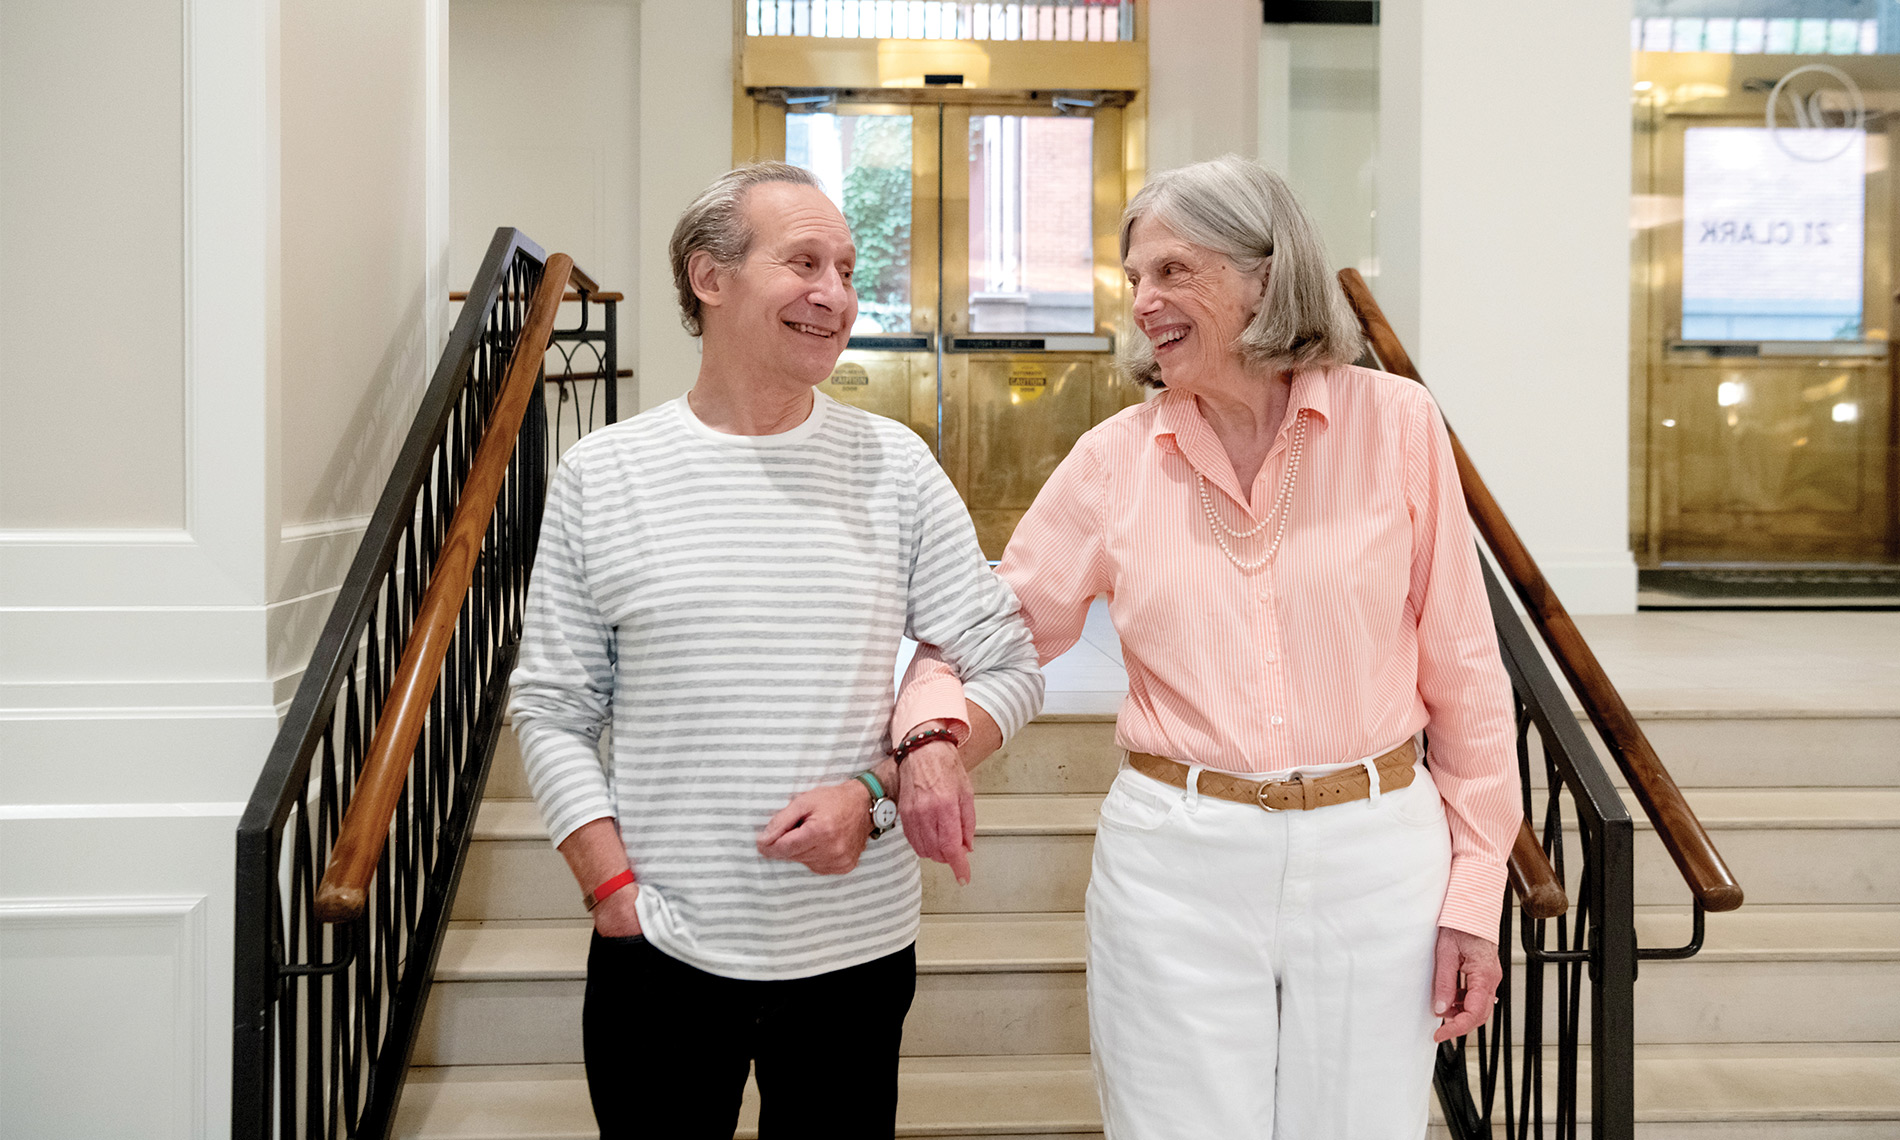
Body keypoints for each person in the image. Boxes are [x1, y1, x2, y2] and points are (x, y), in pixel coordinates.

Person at [902, 155, 1522, 1138]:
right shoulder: (1113, 460)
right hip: (1176, 861)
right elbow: (987, 631)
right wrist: (928, 740)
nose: (1142, 302)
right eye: (1134, 278)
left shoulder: (1395, 422)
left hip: (1375, 852)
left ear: (1265, 276)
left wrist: (1475, 892)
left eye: (1171, 272)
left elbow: (1466, 676)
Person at [508, 161, 1043, 1140]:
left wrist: (893, 780)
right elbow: (551, 704)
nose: (835, 294)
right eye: (804, 262)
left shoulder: (895, 466)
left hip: (854, 953)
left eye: (845, 268)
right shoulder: (604, 473)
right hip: (657, 950)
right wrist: (611, 888)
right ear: (708, 278)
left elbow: (1007, 663)